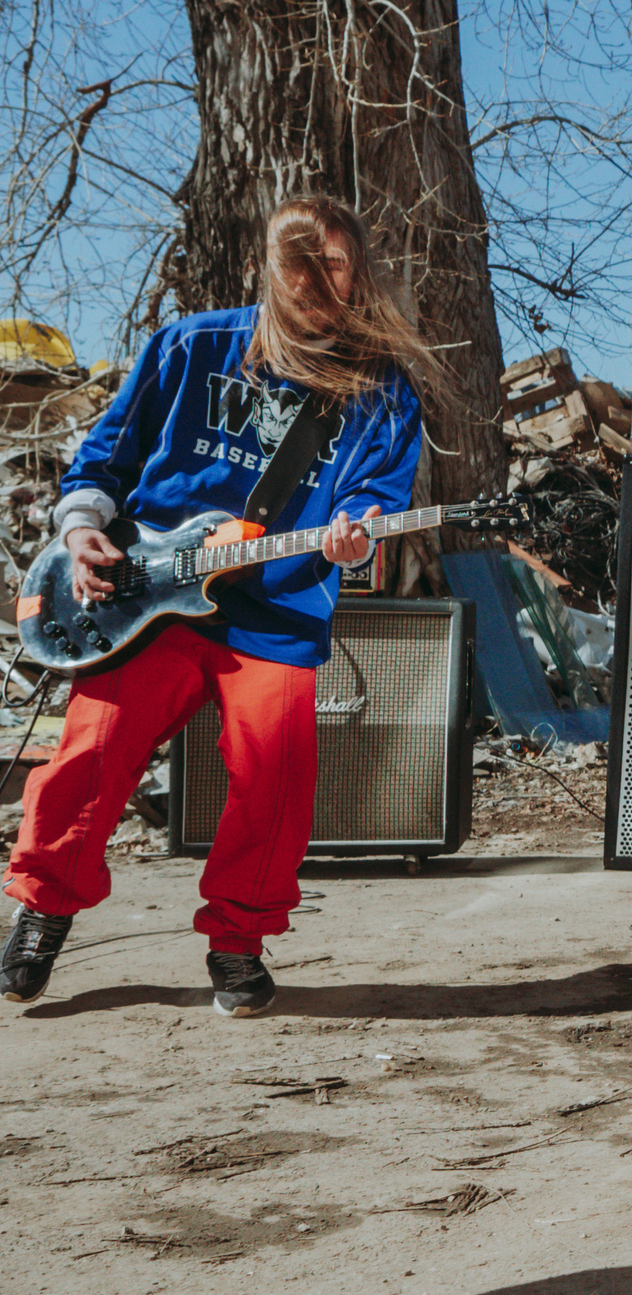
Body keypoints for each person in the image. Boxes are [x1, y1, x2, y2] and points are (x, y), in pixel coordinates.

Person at [0, 195, 427, 1017]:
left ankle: (238, 939)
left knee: (276, 779)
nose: (312, 282)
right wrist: (83, 526)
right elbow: (103, 457)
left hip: (277, 608)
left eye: (332, 265)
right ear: (267, 269)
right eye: (296, 266)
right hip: (150, 596)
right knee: (89, 752)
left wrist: (356, 539)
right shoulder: (191, 344)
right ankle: (44, 910)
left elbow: (373, 503)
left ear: (358, 268)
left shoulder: (381, 390)